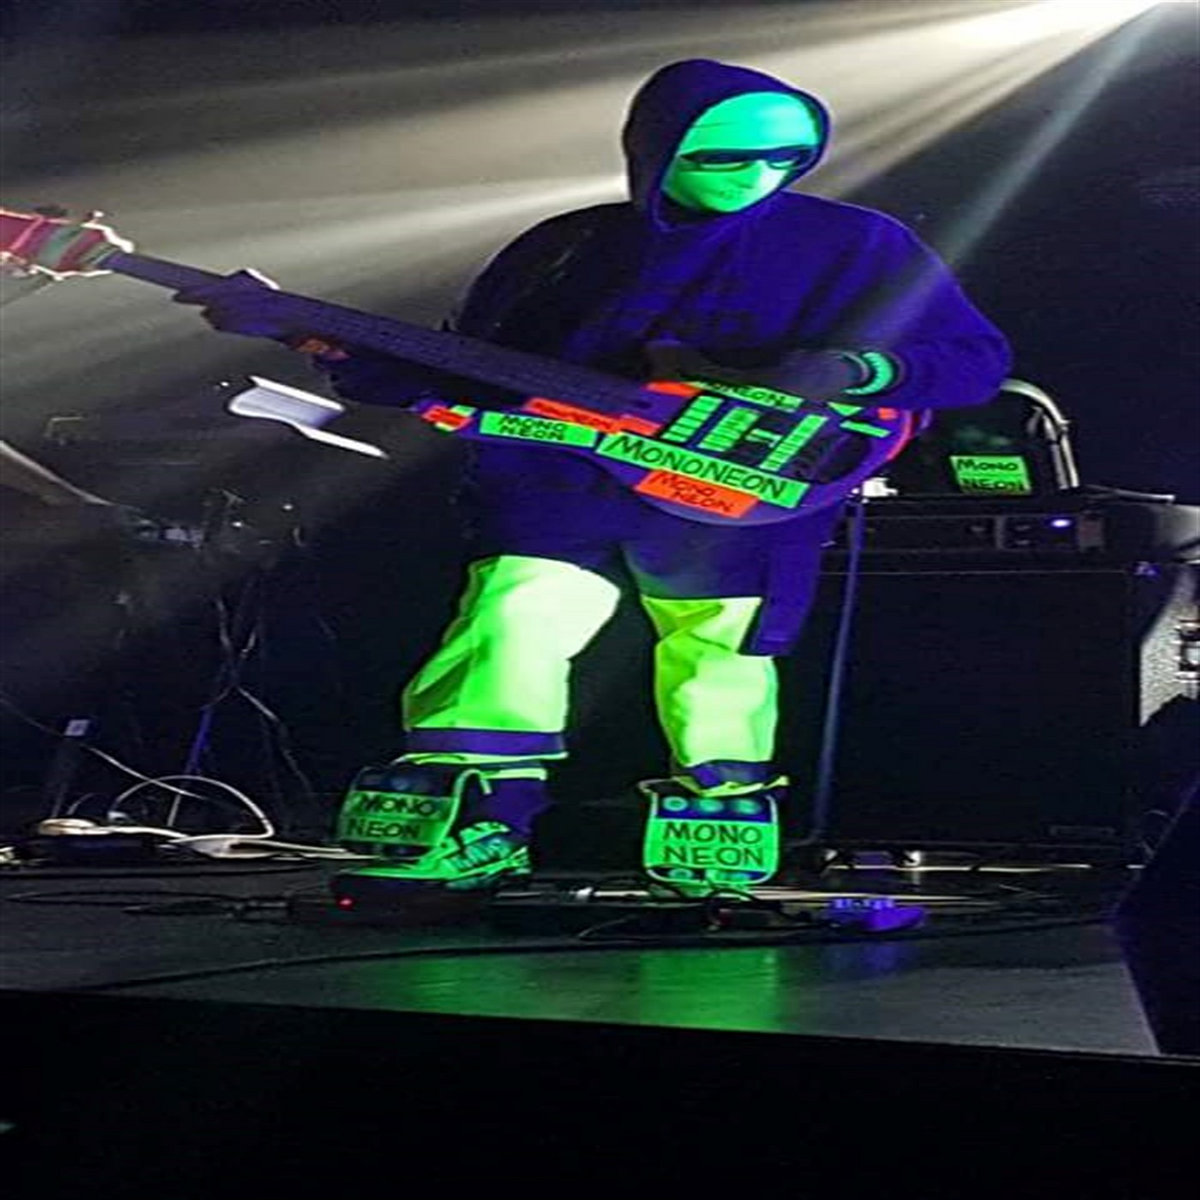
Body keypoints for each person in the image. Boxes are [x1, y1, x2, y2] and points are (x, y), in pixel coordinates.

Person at [176, 58, 1011, 900]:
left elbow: (974, 360)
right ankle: (481, 827)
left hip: (736, 495)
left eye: (786, 156)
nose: (757, 172)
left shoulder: (855, 243)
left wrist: (854, 372)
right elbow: (456, 369)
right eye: (720, 155)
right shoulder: (563, 249)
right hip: (558, 479)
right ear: (656, 151)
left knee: (717, 658)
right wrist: (306, 332)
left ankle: (714, 839)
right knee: (507, 628)